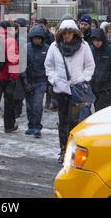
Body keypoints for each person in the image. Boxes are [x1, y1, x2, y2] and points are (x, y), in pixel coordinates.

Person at [44, 20, 95, 163]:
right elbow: (49, 65)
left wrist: (83, 79)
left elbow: (90, 65)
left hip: (77, 89)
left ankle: (73, 150)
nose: (67, 36)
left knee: (74, 121)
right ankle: (63, 149)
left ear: (74, 33)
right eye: (64, 33)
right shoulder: (54, 47)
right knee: (63, 121)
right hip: (61, 89)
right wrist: (54, 79)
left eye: (69, 33)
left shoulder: (83, 47)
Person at [21, 26, 50, 138]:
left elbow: (49, 66)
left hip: (41, 81)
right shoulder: (26, 48)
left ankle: (37, 126)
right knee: (29, 105)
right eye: (35, 38)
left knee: (37, 104)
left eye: (39, 38)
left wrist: (48, 83)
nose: (37, 40)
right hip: (29, 80)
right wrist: (24, 80)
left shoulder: (47, 49)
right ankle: (31, 125)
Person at [90, 28, 111, 112]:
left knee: (102, 109)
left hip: (107, 87)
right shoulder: (91, 50)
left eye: (98, 40)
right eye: (94, 41)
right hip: (94, 85)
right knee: (98, 108)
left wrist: (108, 75)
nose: (96, 43)